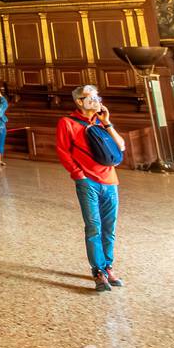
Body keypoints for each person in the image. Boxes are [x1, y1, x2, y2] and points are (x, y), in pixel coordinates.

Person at [55, 84, 127, 292]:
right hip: (88, 182)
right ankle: (98, 271)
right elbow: (63, 151)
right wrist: (79, 175)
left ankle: (109, 266)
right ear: (79, 101)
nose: (97, 100)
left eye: (97, 97)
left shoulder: (100, 122)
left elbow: (121, 146)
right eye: (91, 97)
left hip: (110, 181)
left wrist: (107, 122)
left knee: (109, 227)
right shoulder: (67, 122)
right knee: (94, 226)